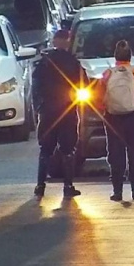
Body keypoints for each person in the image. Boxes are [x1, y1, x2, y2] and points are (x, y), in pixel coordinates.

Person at [93, 40, 134, 201]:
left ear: (115, 56)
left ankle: (117, 191)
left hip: (113, 119)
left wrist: (102, 111)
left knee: (115, 154)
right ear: (130, 56)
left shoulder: (107, 74)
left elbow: (97, 97)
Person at [32, 30, 86, 198]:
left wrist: (38, 107)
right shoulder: (73, 62)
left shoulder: (43, 63)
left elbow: (35, 88)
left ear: (54, 41)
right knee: (68, 149)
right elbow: (84, 84)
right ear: (67, 41)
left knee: (46, 149)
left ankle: (40, 186)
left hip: (48, 111)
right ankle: (68, 186)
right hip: (68, 111)